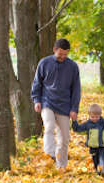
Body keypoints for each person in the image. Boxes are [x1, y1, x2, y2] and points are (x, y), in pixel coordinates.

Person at [31, 38, 81, 171]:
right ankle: (50, 153)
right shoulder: (44, 63)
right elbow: (37, 83)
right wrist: (37, 100)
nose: (63, 57)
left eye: (66, 54)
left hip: (65, 106)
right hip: (47, 102)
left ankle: (61, 166)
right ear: (54, 50)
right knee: (49, 126)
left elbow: (76, 89)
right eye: (60, 54)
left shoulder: (73, 67)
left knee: (64, 138)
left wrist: (74, 109)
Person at [72, 104, 104, 177]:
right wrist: (74, 121)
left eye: (97, 117)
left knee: (102, 158)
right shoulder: (87, 124)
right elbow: (78, 129)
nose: (95, 118)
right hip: (93, 147)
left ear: (100, 115)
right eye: (92, 117)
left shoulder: (103, 123)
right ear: (89, 115)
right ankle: (98, 172)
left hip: (102, 146)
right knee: (95, 160)